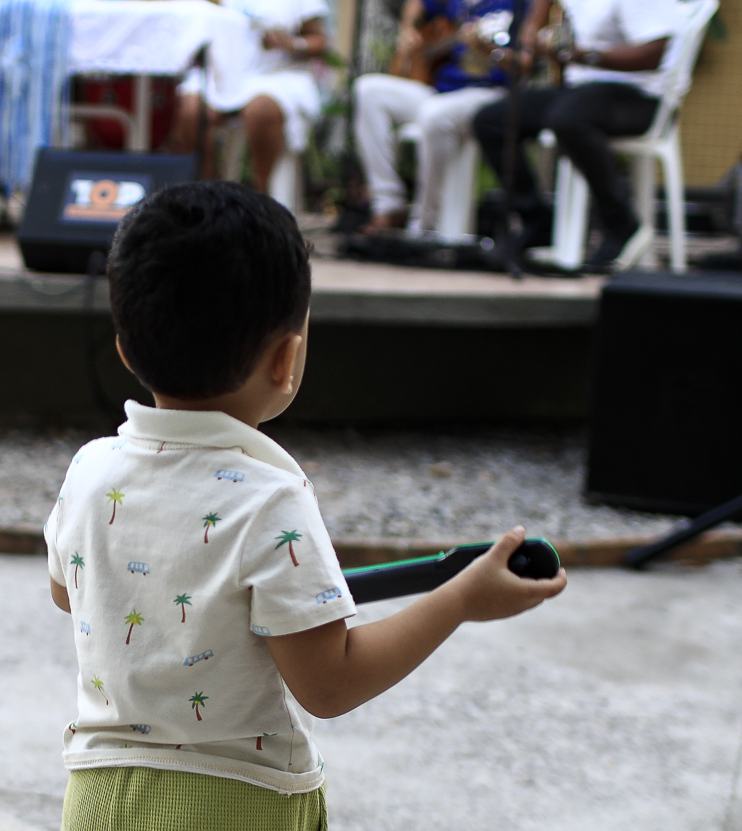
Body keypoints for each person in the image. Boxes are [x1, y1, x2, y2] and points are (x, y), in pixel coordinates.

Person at [45, 180, 567, 829]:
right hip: (232, 805)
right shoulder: (270, 503)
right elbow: (329, 685)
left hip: (95, 799)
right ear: (287, 357)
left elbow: (70, 592)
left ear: (125, 347)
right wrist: (459, 601)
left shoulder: (90, 470)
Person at [472, 0, 682, 271]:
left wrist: (582, 55)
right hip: (581, 89)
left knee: (569, 117)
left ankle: (623, 226)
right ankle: (537, 221)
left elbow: (654, 54)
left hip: (636, 94)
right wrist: (533, 33)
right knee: (495, 119)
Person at [353, 0, 532, 233]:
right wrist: (408, 30)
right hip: (441, 88)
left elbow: (523, 64)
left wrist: (490, 50)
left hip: (487, 95)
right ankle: (388, 203)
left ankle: (425, 224)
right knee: (368, 90)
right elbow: (416, 4)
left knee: (434, 115)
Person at [168, 0, 330, 191]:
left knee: (260, 108)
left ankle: (261, 194)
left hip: (277, 75)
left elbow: (321, 43)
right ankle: (209, 189)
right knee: (191, 108)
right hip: (225, 76)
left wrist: (293, 43)